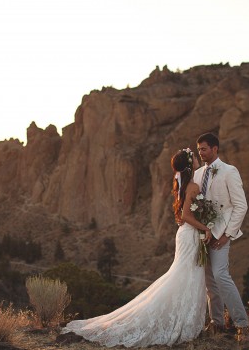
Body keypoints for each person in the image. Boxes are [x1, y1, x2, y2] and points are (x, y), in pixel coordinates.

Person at [60, 148, 212, 347]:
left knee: (184, 274)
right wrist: (206, 227)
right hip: (190, 233)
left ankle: (184, 318)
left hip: (184, 234)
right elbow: (186, 216)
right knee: (187, 275)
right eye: (193, 159)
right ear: (189, 164)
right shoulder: (192, 186)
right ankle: (181, 321)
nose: (196, 161)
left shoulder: (182, 185)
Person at [194, 132, 249, 333]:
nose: (201, 153)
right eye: (199, 149)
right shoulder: (198, 174)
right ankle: (217, 324)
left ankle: (242, 324)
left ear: (215, 148)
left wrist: (227, 234)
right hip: (202, 235)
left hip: (221, 234)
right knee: (210, 283)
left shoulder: (229, 171)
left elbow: (241, 206)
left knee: (220, 275)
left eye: (204, 149)